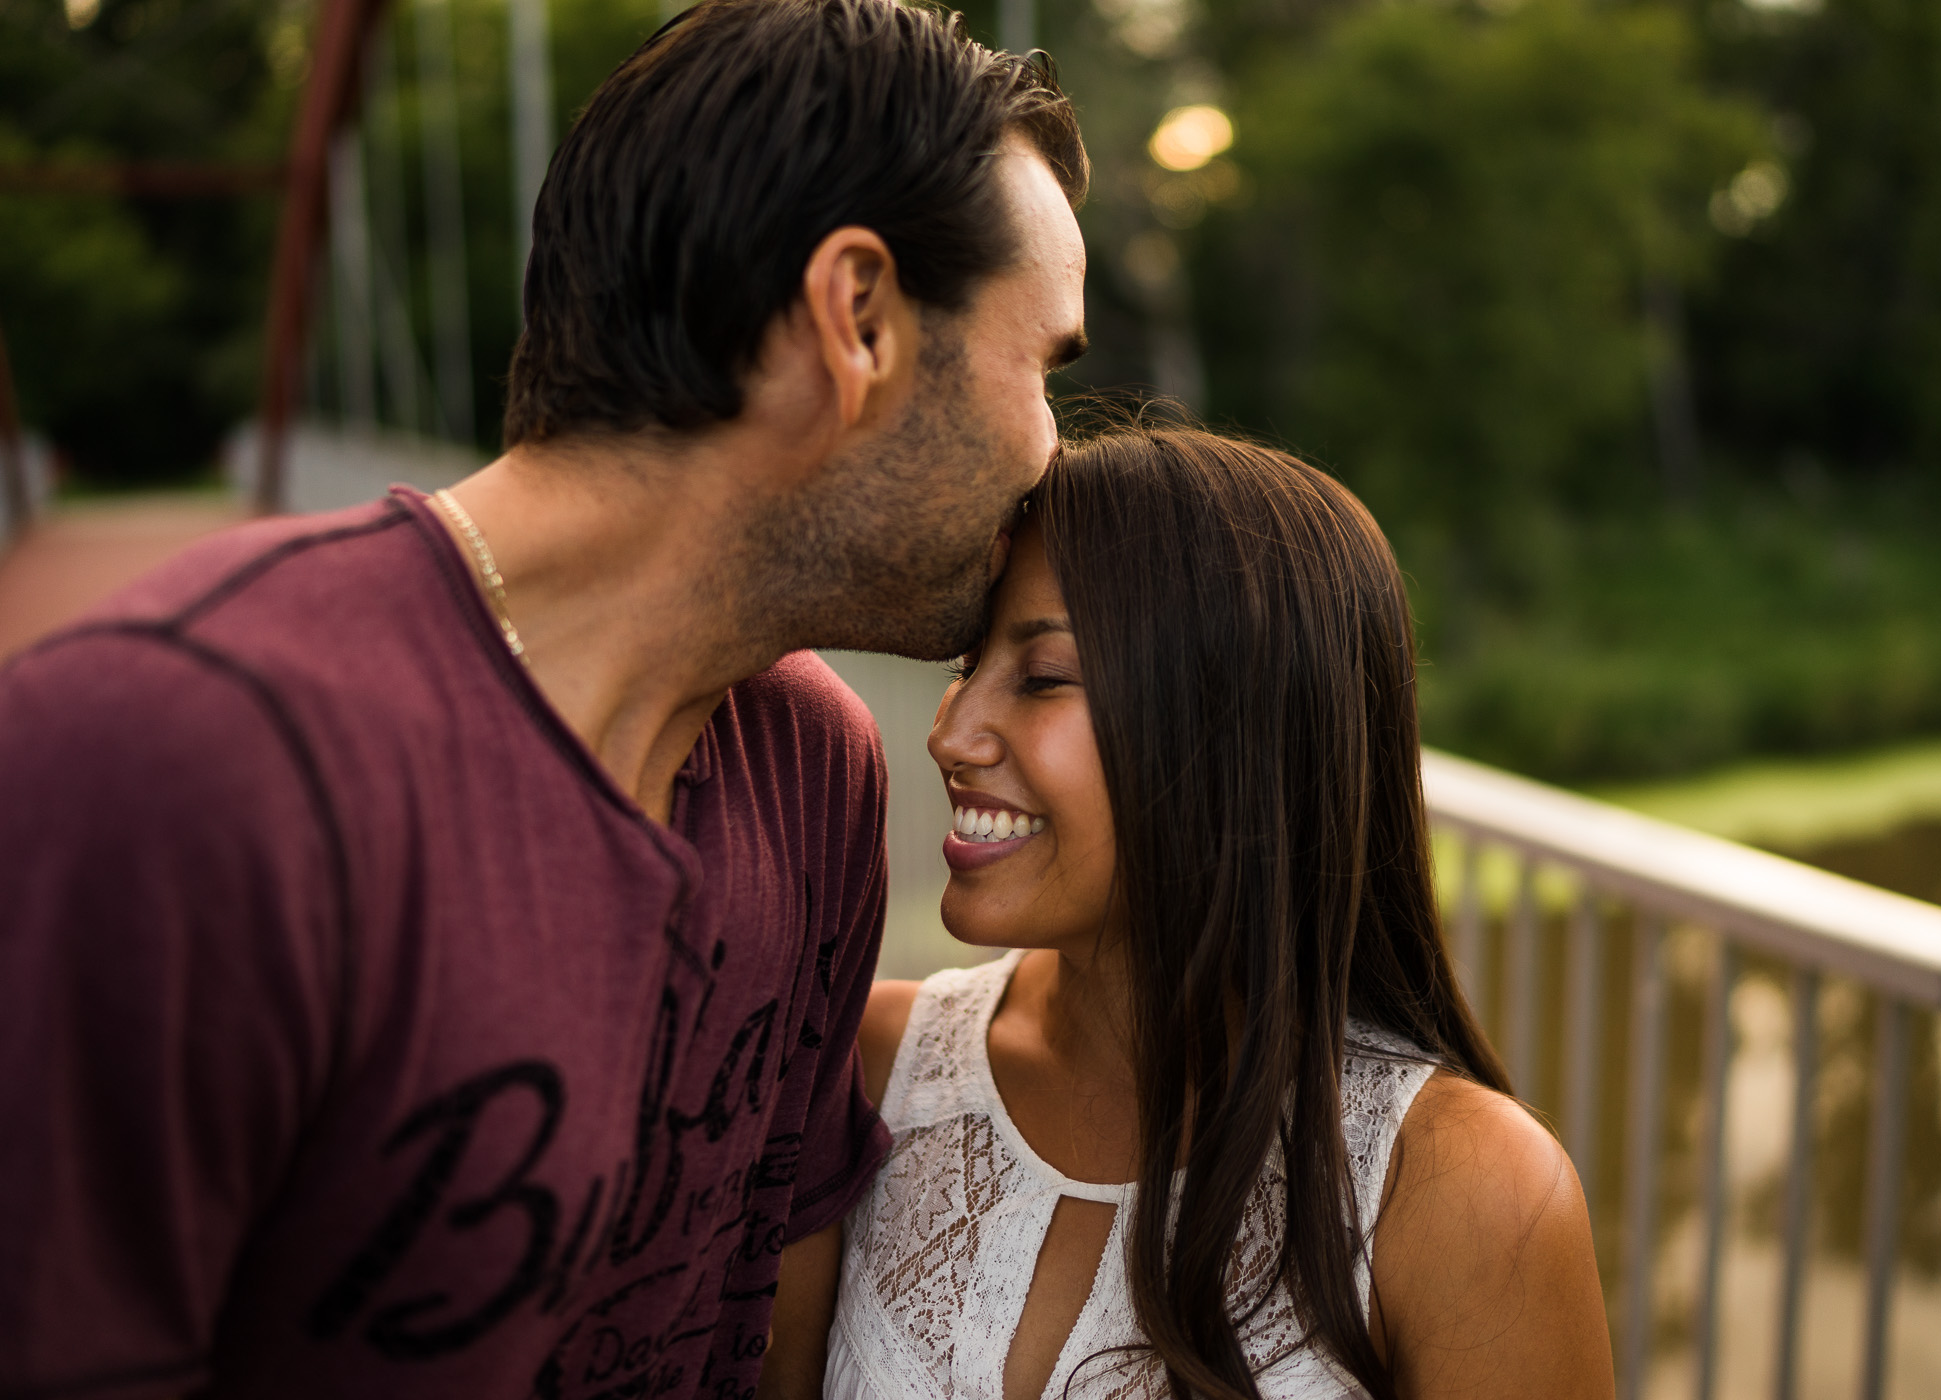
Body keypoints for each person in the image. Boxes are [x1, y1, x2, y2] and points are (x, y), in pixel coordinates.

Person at [0, 1, 1087, 1396]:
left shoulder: (811, 768)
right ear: (858, 316)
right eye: (1045, 366)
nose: (1051, 456)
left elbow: (760, 1305)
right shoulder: (174, 761)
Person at [826, 427, 1614, 1400]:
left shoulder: (1467, 1195)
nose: (949, 731)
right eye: (964, 665)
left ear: (1230, 733)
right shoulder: (867, 1067)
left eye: (1042, 676)